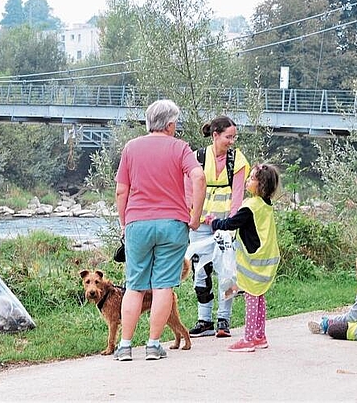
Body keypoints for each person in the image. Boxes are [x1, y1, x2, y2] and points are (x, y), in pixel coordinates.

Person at [113, 99, 206, 361]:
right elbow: (198, 177)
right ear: (169, 124)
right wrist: (195, 217)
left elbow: (122, 190)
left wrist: (124, 222)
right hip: (172, 224)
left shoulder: (131, 148)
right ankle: (153, 345)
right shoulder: (180, 148)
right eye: (175, 122)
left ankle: (125, 346)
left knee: (134, 287)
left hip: (137, 224)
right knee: (164, 286)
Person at [205, 163, 281, 352]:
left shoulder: (250, 206)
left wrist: (213, 222)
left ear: (261, 185)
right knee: (259, 296)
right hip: (267, 257)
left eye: (252, 178)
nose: (248, 181)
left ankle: (248, 339)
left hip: (253, 261)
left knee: (251, 298)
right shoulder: (266, 204)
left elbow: (231, 223)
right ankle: (260, 336)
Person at [186, 116, 249, 338]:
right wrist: (192, 217)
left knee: (227, 272)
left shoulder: (237, 160)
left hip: (224, 225)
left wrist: (230, 225)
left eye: (234, 137)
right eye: (228, 137)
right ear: (215, 135)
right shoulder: (197, 158)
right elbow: (188, 191)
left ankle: (224, 320)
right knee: (200, 272)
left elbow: (238, 196)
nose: (232, 141)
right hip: (201, 224)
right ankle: (204, 320)